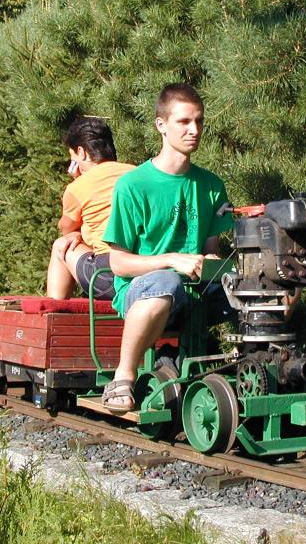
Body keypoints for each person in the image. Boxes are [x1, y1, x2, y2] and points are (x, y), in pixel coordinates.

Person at [101, 84, 233, 411]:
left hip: (196, 289)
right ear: (161, 125)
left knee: (271, 285)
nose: (194, 130)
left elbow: (211, 248)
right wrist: (173, 260)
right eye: (184, 121)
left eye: (199, 121)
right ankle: (123, 375)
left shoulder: (212, 185)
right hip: (142, 290)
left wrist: (215, 263)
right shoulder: (133, 185)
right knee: (166, 282)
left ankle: (253, 372)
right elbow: (119, 263)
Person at [45, 116, 135, 300]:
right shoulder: (137, 173)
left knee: (61, 245)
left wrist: (78, 181)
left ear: (81, 152)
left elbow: (66, 229)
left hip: (108, 277)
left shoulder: (78, 187)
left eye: (73, 158)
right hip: (145, 268)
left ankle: (53, 312)